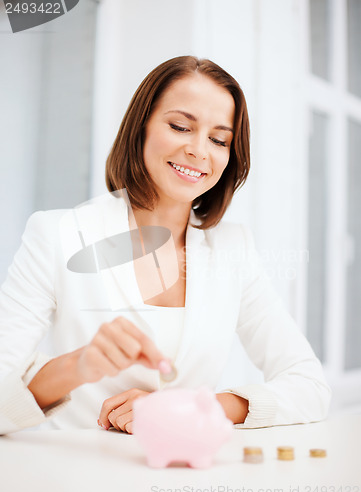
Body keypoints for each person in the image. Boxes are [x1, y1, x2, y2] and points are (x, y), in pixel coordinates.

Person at [0, 56, 331, 435]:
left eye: (219, 139)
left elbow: (310, 387)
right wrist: (75, 367)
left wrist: (194, 407)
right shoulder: (56, 234)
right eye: (179, 126)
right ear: (141, 127)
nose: (199, 150)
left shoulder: (233, 250)